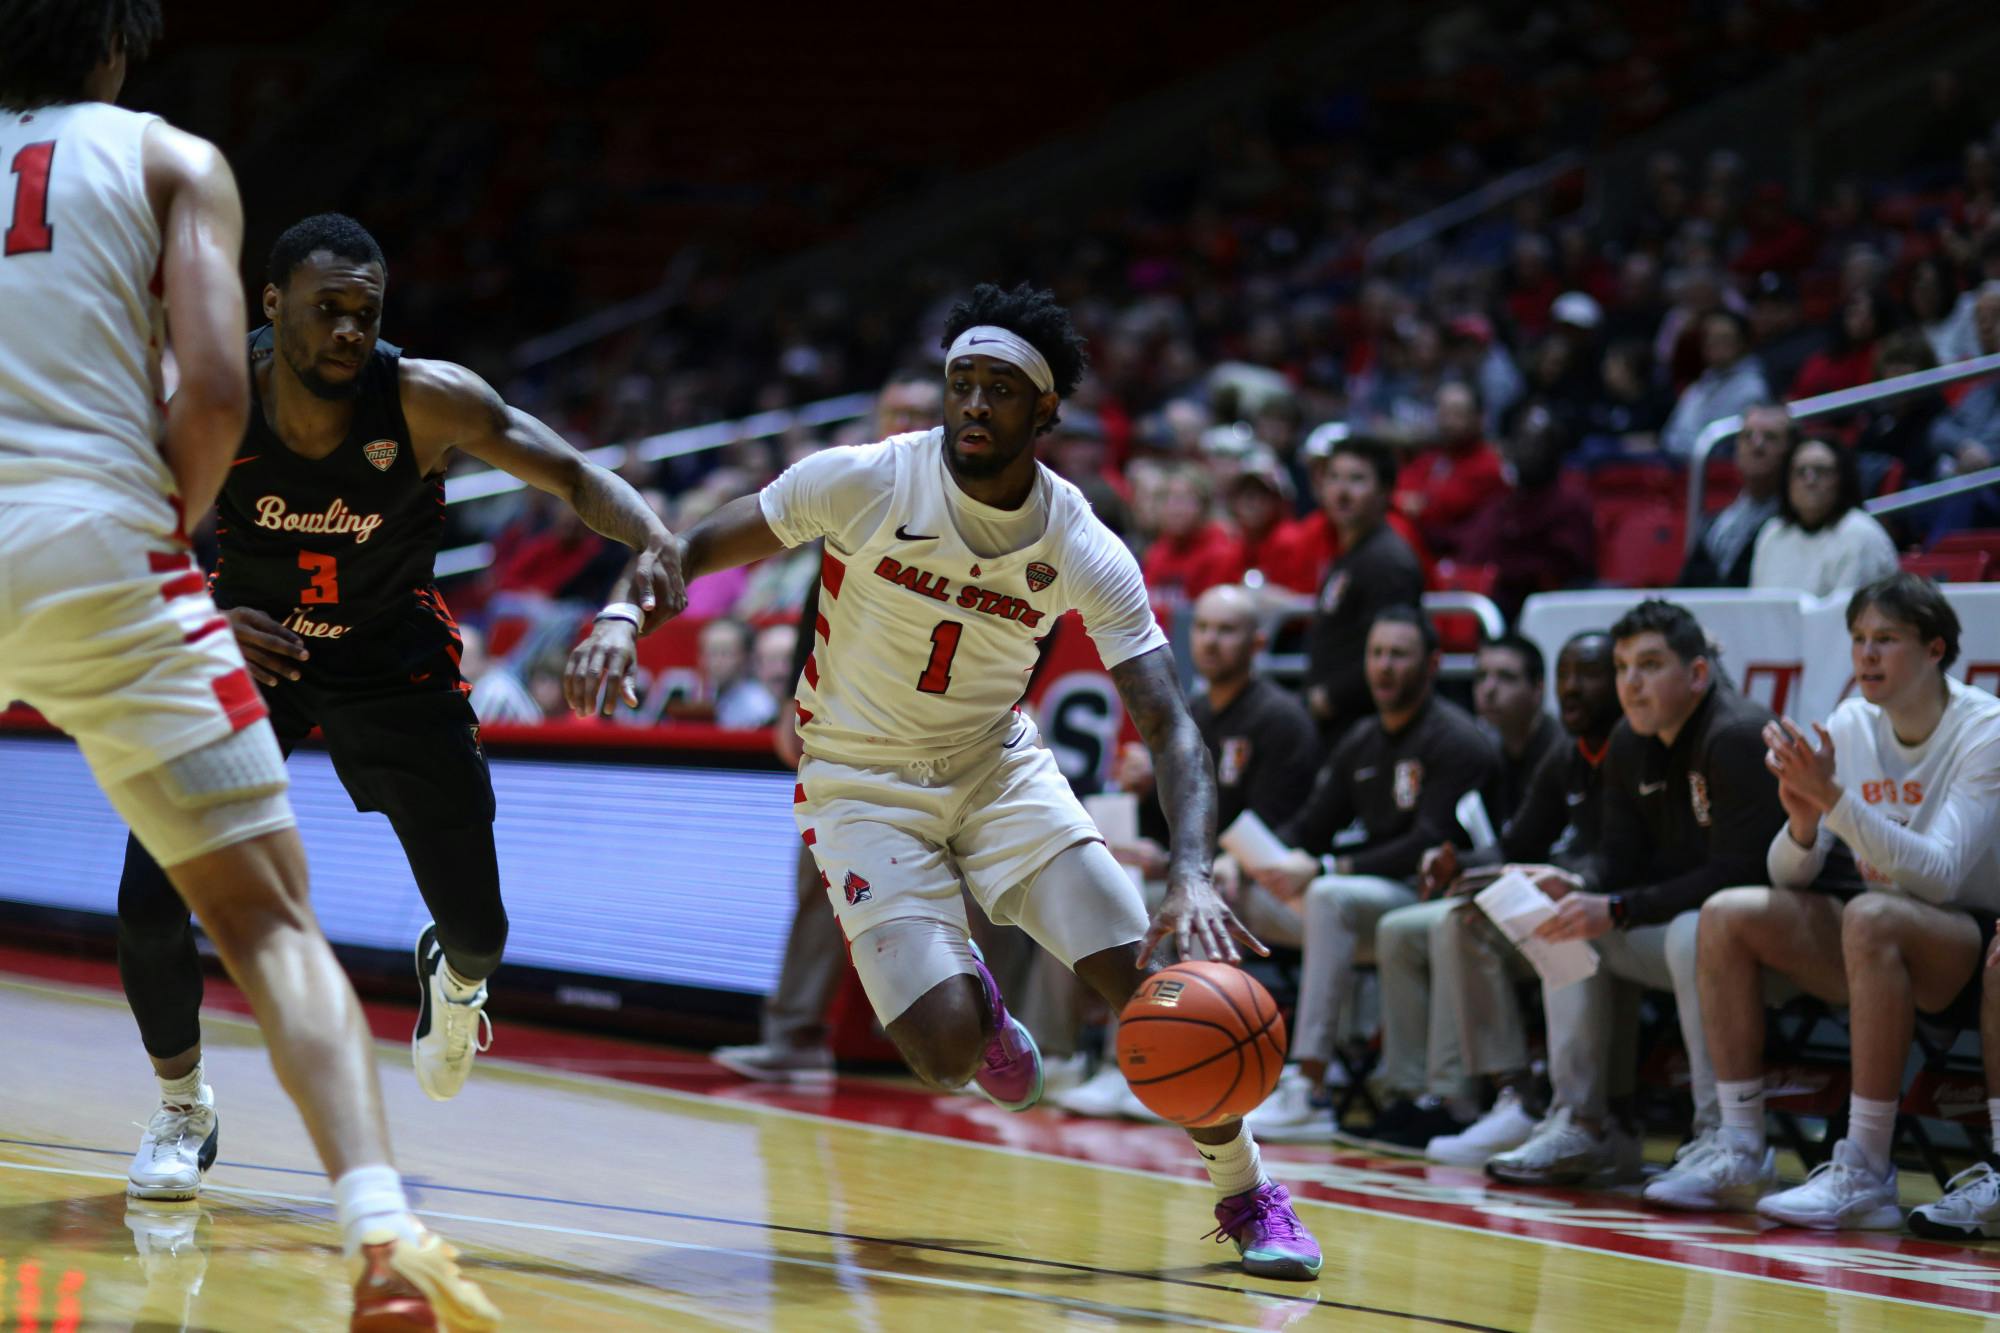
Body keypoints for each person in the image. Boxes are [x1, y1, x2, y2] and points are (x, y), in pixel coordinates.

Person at [568, 282, 1323, 1278]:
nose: (972, 404)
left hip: (996, 770)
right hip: (859, 783)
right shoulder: (867, 479)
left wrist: (1186, 871)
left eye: (999, 390)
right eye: (959, 383)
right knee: (944, 1052)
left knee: (1156, 995)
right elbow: (694, 546)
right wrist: (623, 616)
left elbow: (1171, 724)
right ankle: (979, 1012)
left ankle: (1247, 1194)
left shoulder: (1080, 543)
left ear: (1043, 413)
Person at [0, 12, 495, 1326]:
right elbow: (217, 390)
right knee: (267, 920)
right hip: (98, 542)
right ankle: (381, 1233)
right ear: (114, 47)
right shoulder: (169, 156)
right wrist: (165, 550)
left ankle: (187, 1113)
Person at [112, 210, 681, 1193]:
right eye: (327, 308)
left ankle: (453, 977)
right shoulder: (212, 399)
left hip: (392, 663)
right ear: (272, 302)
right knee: (148, 904)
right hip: (249, 647)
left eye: (364, 314)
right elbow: (119, 528)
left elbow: (578, 475)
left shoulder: (425, 399)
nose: (347, 330)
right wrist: (200, 611)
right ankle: (180, 1108)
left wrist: (655, 547)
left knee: (482, 930)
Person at [1646, 575, 2000, 1226]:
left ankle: (1865, 1168)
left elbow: (1943, 875)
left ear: (1935, 650)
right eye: (1859, 639)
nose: (1866, 655)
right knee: (1726, 914)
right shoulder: (1852, 720)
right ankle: (1741, 1147)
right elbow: (1788, 874)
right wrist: (1804, 822)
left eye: (1886, 640)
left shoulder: (1984, 730)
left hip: (1965, 944)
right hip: (1874, 940)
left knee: (1871, 914)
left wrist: (1837, 800)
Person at [1485, 600, 1782, 1187]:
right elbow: (1617, 861)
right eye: (1622, 668)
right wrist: (1578, 885)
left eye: (1649, 665)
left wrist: (1618, 907)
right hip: (1677, 926)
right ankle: (1584, 1124)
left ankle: (1719, 1134)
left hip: (1765, 942)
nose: (1631, 683)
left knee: (1697, 929)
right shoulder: (1629, 739)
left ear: (1697, 674)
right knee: (1560, 919)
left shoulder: (1737, 734)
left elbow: (1738, 873)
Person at [711, 369, 942, 1084]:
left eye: (917, 412)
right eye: (894, 408)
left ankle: (962, 1043)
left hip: (948, 718)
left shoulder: (971, 502)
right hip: (854, 716)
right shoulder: (855, 490)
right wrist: (793, 697)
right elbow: (821, 601)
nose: (903, 421)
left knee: (974, 878)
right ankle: (793, 1033)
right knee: (822, 866)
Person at [1055, 583, 1322, 1117]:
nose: (1212, 641)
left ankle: (1175, 1065)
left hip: (1263, 883)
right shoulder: (1189, 712)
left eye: (1227, 630)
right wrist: (1143, 806)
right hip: (1197, 875)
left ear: (1258, 643)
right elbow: (1169, 823)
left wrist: (1209, 861)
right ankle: (1068, 1055)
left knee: (1188, 906)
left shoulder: (1282, 720)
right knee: (1091, 894)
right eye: (1203, 628)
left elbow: (1286, 826)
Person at [1240, 607, 1498, 1140]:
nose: (1384, 667)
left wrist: (1334, 865)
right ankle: (1207, 1060)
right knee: (1229, 890)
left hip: (1428, 894)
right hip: (1366, 901)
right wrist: (1238, 856)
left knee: (1329, 894)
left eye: (1399, 655)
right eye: (1377, 654)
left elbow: (1430, 842)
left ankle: (1312, 1082)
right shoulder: (1361, 739)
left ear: (1432, 664)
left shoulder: (1456, 740)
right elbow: (1309, 826)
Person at [1422, 632, 1625, 1165]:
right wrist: (1460, 864)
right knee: (1465, 917)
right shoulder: (1568, 754)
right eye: (1567, 677)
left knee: (1557, 918)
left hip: (1623, 901)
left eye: (1590, 675)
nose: (1574, 689)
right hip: (1587, 895)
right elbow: (1517, 845)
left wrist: (1568, 878)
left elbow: (1629, 854)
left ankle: (1583, 1115)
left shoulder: (1633, 747)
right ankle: (1514, 1096)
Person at [1301, 437, 1425, 745]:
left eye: (1356, 479)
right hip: (1339, 724)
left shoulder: (1388, 562)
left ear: (1384, 491)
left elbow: (1395, 653)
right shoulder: (1352, 553)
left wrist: (1328, 697)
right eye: (1334, 478)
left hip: (1365, 726)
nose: (1341, 492)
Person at [1748, 435, 1898, 597]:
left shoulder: (1861, 535)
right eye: (1800, 472)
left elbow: (1849, 617)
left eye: (1821, 471)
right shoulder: (1773, 533)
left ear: (1842, 479)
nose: (1810, 480)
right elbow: (1757, 607)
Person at [1679, 403, 1791, 588]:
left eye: (1770, 437)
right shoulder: (1714, 523)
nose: (1757, 445)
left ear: (1791, 451)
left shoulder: (1796, 524)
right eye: (1747, 436)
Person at [1391, 382, 1506, 557]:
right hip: (1419, 549)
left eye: (1457, 414)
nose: (1448, 422)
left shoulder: (1488, 466)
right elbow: (1397, 486)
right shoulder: (1433, 456)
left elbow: (1440, 510)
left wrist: (1417, 504)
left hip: (1459, 557)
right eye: (1443, 412)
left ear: (1478, 418)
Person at [1662, 311, 1770, 457]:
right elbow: (1671, 434)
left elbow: (1725, 447)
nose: (1713, 344)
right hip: (1677, 462)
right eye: (1709, 338)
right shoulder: (1698, 386)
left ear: (1742, 343)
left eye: (1723, 338)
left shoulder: (1753, 388)